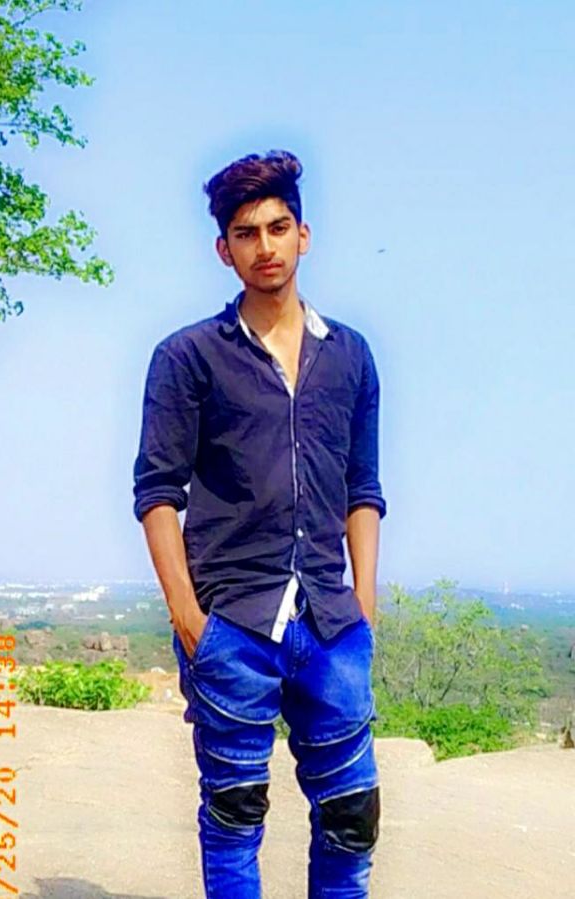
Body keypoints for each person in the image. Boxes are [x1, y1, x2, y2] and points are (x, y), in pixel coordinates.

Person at [133, 149, 387, 898]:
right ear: (224, 249)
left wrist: (364, 607)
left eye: (278, 228)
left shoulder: (350, 357)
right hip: (233, 623)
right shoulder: (188, 358)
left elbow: (363, 488)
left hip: (332, 623)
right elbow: (156, 492)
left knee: (352, 818)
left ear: (304, 235)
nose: (265, 246)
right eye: (246, 233)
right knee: (235, 816)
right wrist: (188, 618)